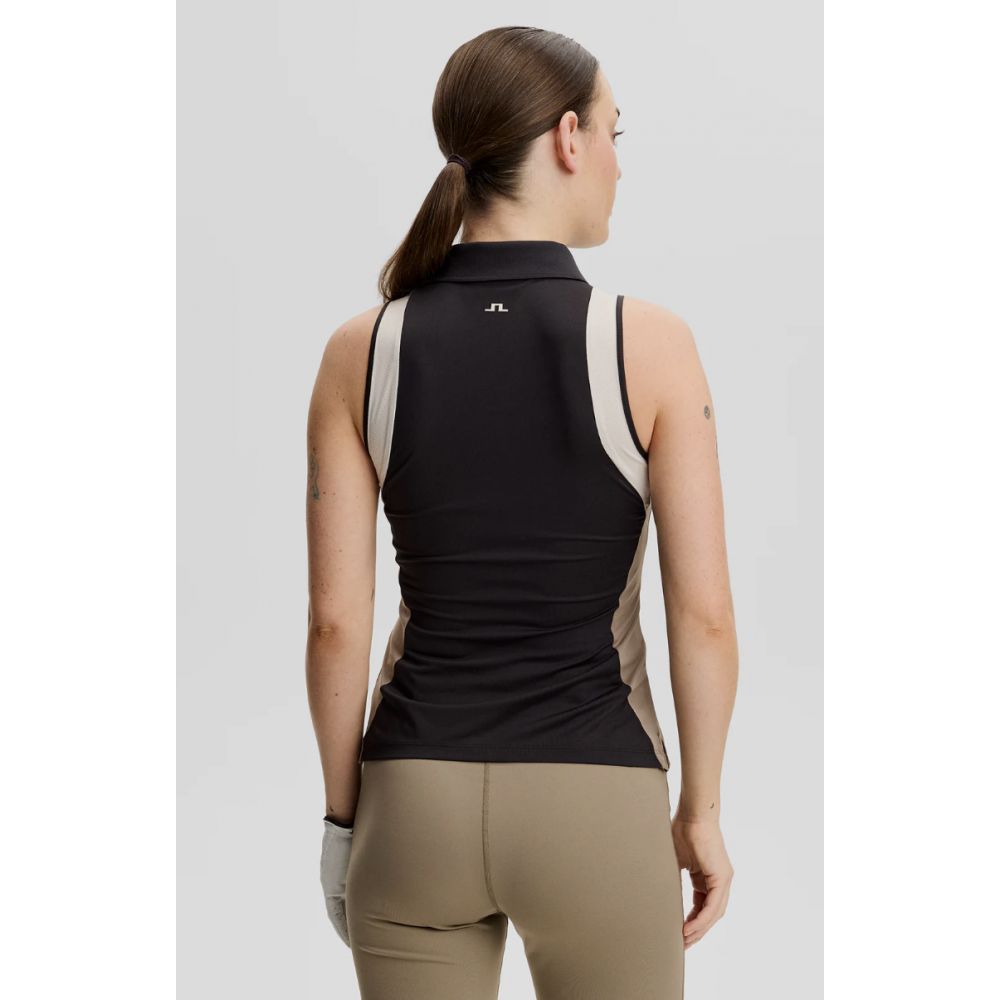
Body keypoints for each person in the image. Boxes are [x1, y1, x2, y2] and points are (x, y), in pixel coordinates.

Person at [306, 25, 738, 1000]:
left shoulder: (360, 350)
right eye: (617, 133)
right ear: (569, 138)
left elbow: (336, 623)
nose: (621, 164)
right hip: (597, 796)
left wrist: (343, 826)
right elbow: (704, 615)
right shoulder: (651, 345)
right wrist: (701, 812)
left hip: (412, 800)